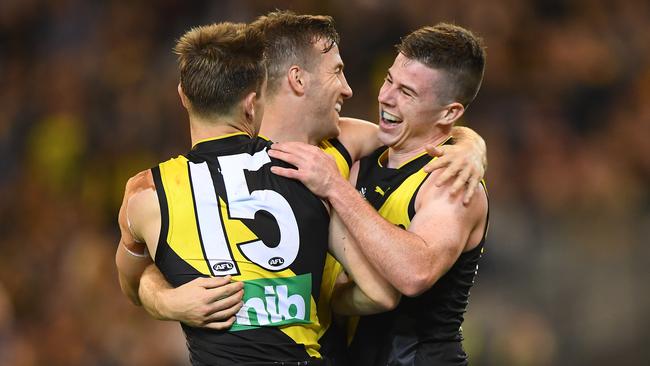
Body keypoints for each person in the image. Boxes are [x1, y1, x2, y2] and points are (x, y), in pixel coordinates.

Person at [118, 12, 487, 365]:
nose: (353, 88)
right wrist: (166, 302)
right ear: (297, 79)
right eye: (338, 72)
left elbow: (426, 137)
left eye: (404, 90)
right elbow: (146, 265)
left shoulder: (341, 148)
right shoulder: (219, 171)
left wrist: (470, 145)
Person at [269, 23, 489, 365]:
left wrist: (336, 188)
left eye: (407, 92)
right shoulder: (364, 150)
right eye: (389, 80)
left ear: (449, 113)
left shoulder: (452, 180)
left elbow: (415, 273)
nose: (385, 96)